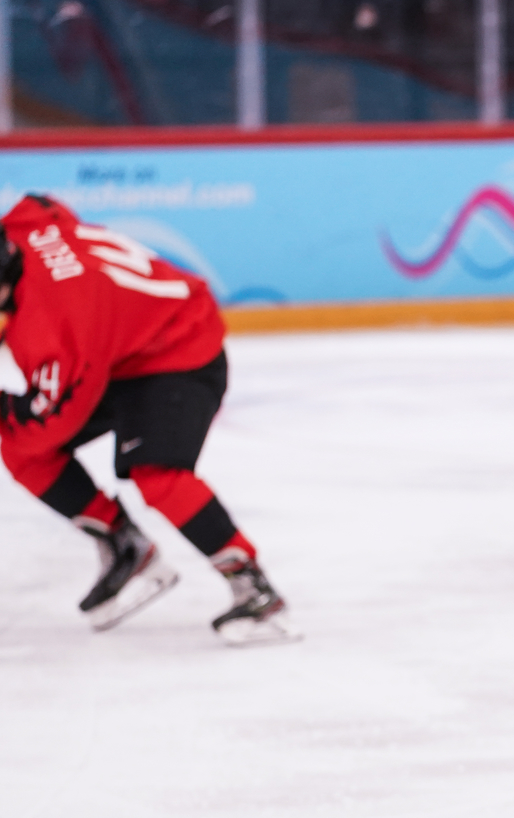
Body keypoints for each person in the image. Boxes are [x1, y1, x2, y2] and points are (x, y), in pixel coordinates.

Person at [0, 194, 295, 643]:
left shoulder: (59, 320)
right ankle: (126, 545)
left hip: (180, 350)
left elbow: (53, 417)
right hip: (119, 349)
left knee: (158, 474)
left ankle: (253, 586)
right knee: (18, 447)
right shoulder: (21, 227)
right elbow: (44, 205)